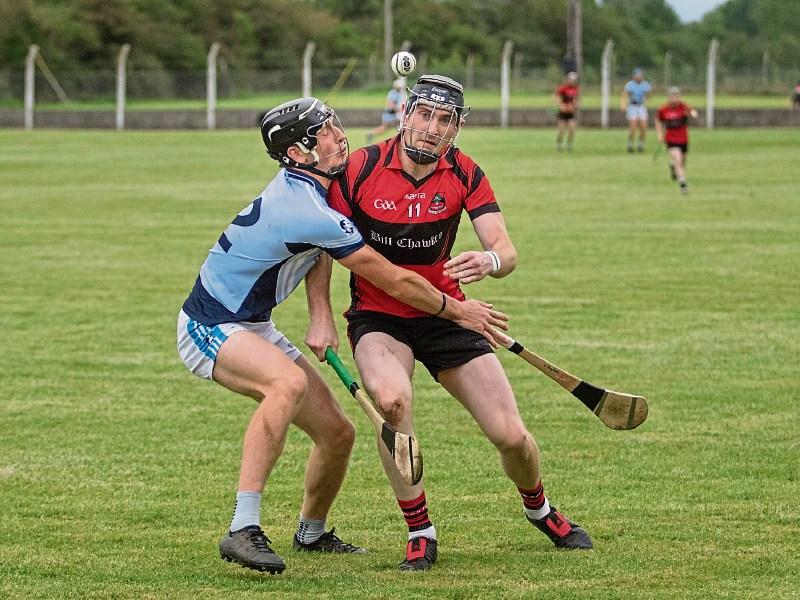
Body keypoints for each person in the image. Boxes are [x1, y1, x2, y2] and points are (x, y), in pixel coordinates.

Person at [176, 96, 506, 574]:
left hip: (253, 323)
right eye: (325, 132)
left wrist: (320, 315)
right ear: (297, 153)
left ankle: (311, 532)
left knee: (338, 433)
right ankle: (242, 527)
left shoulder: (318, 188)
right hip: (209, 324)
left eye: (334, 123)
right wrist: (459, 311)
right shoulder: (306, 208)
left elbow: (320, 252)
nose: (339, 135)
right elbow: (394, 280)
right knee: (285, 384)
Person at [327, 75, 593, 572]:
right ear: (406, 114)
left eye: (445, 120)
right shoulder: (360, 168)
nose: (432, 128)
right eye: (425, 115)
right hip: (379, 317)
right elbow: (323, 245)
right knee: (391, 402)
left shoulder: (465, 172)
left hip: (451, 316)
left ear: (456, 128)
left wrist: (490, 261)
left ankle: (539, 508)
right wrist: (320, 314)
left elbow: (505, 250)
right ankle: (419, 530)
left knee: (511, 437)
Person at [655, 86, 698, 195]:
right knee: (678, 159)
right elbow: (658, 120)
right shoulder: (663, 109)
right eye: (672, 96)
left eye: (676, 96)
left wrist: (693, 113)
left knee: (683, 162)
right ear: (669, 97)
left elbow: (692, 111)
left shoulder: (683, 107)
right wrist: (659, 134)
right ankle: (683, 184)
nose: (674, 99)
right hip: (670, 139)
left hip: (683, 139)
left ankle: (673, 166)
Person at [621, 68, 652, 153]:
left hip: (641, 106)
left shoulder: (646, 85)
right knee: (633, 127)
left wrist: (648, 95)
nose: (639, 77)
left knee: (644, 127)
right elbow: (624, 95)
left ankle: (641, 144)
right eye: (637, 75)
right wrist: (623, 105)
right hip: (632, 107)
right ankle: (630, 144)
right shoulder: (629, 85)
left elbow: (649, 96)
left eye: (640, 75)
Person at [367, 78, 406, 143]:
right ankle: (371, 133)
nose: (399, 88)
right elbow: (390, 104)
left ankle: (399, 140)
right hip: (389, 114)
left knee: (399, 126)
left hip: (395, 114)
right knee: (384, 128)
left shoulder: (400, 94)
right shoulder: (392, 93)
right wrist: (398, 109)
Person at [554, 71, 580, 152]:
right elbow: (557, 98)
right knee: (561, 130)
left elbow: (576, 100)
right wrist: (562, 106)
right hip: (562, 113)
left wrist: (574, 106)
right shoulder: (562, 88)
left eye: (574, 80)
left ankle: (569, 144)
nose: (572, 81)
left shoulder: (576, 89)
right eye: (571, 79)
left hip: (571, 113)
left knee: (572, 129)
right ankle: (559, 143)